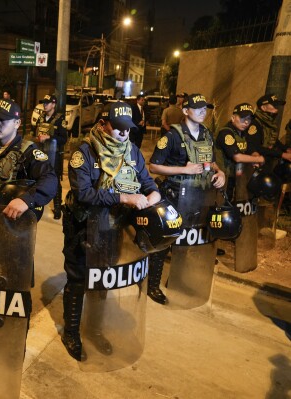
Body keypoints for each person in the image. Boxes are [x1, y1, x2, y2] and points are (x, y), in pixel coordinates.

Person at [61, 101, 160, 361]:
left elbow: (147, 182)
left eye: (128, 129)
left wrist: (154, 195)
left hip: (115, 229)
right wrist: (124, 198)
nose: (124, 133)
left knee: (103, 279)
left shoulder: (133, 152)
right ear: (103, 124)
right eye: (118, 128)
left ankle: (93, 330)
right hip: (84, 228)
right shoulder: (84, 153)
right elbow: (84, 194)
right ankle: (71, 332)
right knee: (79, 279)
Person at [148, 93, 226, 305]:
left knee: (189, 240)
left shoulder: (206, 134)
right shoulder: (172, 136)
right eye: (198, 107)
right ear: (185, 111)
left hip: (199, 197)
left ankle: (180, 279)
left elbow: (211, 161)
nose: (203, 111)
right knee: (166, 241)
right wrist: (184, 169)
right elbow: (154, 166)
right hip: (174, 195)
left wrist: (220, 173)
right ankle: (153, 285)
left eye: (205, 108)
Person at [31, 94, 68, 219]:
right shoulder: (40, 118)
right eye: (44, 103)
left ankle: (57, 207)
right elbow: (33, 132)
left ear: (53, 104)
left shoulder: (59, 119)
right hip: (40, 153)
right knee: (37, 177)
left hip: (54, 155)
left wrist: (49, 137)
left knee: (55, 179)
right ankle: (37, 203)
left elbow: (64, 139)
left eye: (47, 103)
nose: (45, 105)